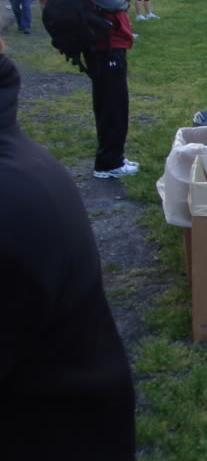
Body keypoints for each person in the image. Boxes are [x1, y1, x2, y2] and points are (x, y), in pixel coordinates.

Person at [0, 37, 136, 458]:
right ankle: (108, 161)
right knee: (110, 108)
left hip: (59, 430)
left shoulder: (15, 194)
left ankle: (110, 159)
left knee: (115, 109)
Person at [67, 0, 138, 179]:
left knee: (116, 102)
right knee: (112, 104)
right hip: (102, 45)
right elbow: (115, 1)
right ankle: (109, 163)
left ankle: (114, 157)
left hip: (114, 42)